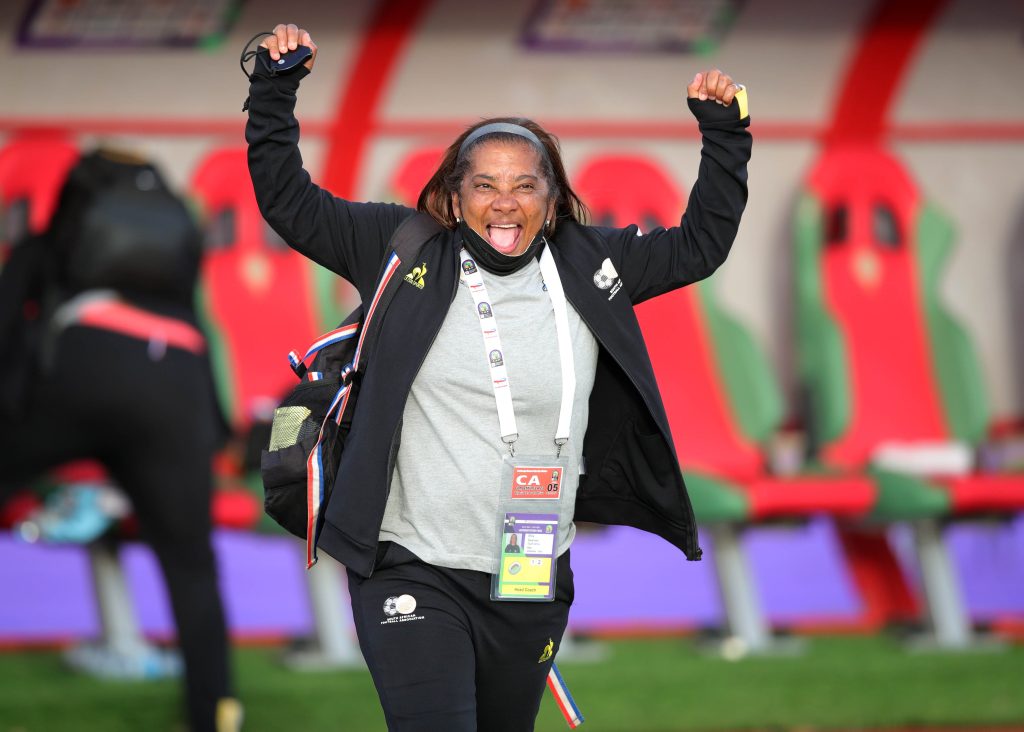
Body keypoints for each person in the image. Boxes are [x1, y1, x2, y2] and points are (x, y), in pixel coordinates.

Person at [247, 23, 750, 731]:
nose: (505, 202)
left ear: (553, 199)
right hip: (410, 564)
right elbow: (289, 202)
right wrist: (275, 89)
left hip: (530, 568)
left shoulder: (593, 263)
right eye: (484, 185)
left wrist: (725, 134)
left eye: (524, 185)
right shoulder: (400, 248)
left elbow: (702, 243)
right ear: (454, 199)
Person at [0, 149, 241, 732]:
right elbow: (201, 329)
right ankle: (215, 715)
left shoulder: (49, 244)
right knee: (191, 564)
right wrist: (216, 431)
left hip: (83, 363)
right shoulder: (174, 259)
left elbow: (6, 329)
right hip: (175, 381)